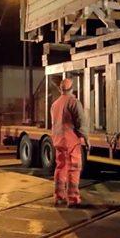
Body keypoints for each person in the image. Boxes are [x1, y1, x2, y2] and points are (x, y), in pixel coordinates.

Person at [50, 78, 86, 207]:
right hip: (71, 141)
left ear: (60, 89)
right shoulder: (74, 102)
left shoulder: (55, 104)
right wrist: (85, 137)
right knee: (74, 168)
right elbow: (81, 122)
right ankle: (73, 198)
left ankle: (59, 196)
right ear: (72, 89)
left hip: (58, 140)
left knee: (60, 167)